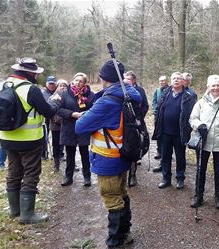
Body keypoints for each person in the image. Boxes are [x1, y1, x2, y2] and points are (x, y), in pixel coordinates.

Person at [75, 59, 140, 248]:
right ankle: (125, 233)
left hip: (107, 158)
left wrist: (87, 114)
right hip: (124, 154)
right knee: (121, 193)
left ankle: (114, 241)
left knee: (112, 198)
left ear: (104, 78)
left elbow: (80, 127)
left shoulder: (107, 102)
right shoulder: (131, 95)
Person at [0, 57, 58, 224]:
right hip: (29, 140)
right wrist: (56, 103)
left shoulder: (1, 85)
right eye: (35, 73)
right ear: (29, 73)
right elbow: (49, 112)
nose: (36, 76)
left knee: (13, 172)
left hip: (7, 138)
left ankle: (15, 210)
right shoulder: (31, 89)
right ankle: (27, 214)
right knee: (31, 173)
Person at [189, 75, 219, 209]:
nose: (215, 88)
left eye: (218, 85)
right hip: (203, 141)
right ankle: (198, 196)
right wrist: (199, 125)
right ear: (208, 87)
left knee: (218, 171)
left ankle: (218, 197)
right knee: (200, 169)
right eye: (213, 85)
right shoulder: (200, 103)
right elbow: (193, 118)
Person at [152, 72, 196, 189]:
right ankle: (166, 179)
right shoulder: (165, 93)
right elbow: (159, 109)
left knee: (180, 157)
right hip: (165, 132)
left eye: (178, 78)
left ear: (183, 81)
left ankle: (180, 178)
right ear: (171, 81)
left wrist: (188, 130)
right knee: (165, 156)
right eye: (174, 78)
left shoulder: (188, 95)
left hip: (180, 133)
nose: (176, 80)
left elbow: (192, 114)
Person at [57, 72, 94, 187]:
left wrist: (84, 115)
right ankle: (68, 177)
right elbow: (59, 110)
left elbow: (94, 110)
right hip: (69, 127)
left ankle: (87, 177)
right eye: (76, 80)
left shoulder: (90, 95)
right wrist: (72, 114)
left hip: (83, 127)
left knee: (84, 153)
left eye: (81, 81)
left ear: (84, 83)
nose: (78, 82)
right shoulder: (64, 93)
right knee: (70, 154)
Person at [123, 71, 149, 187]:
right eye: (125, 78)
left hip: (136, 124)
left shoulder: (140, 90)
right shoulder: (121, 90)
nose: (126, 80)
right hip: (123, 125)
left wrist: (138, 118)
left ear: (133, 80)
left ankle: (132, 175)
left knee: (135, 148)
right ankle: (122, 173)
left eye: (128, 78)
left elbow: (145, 106)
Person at [48, 79, 68, 172]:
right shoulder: (52, 97)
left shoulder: (70, 97)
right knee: (55, 145)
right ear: (57, 87)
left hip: (67, 125)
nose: (62, 87)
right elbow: (49, 110)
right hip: (55, 125)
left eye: (64, 85)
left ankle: (71, 163)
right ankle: (56, 165)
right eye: (61, 85)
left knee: (69, 145)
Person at [152, 75, 169, 172]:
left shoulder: (169, 90)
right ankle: (159, 151)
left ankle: (165, 154)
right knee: (158, 133)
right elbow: (154, 101)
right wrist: (155, 110)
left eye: (163, 81)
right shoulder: (157, 90)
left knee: (164, 136)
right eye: (160, 81)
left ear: (167, 81)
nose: (162, 82)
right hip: (157, 116)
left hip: (165, 117)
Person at [41, 75, 58, 160]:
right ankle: (43, 154)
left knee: (56, 137)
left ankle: (58, 154)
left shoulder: (58, 92)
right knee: (44, 136)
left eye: (53, 84)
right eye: (50, 84)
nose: (51, 85)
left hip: (56, 118)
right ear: (46, 84)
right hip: (45, 118)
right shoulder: (42, 92)